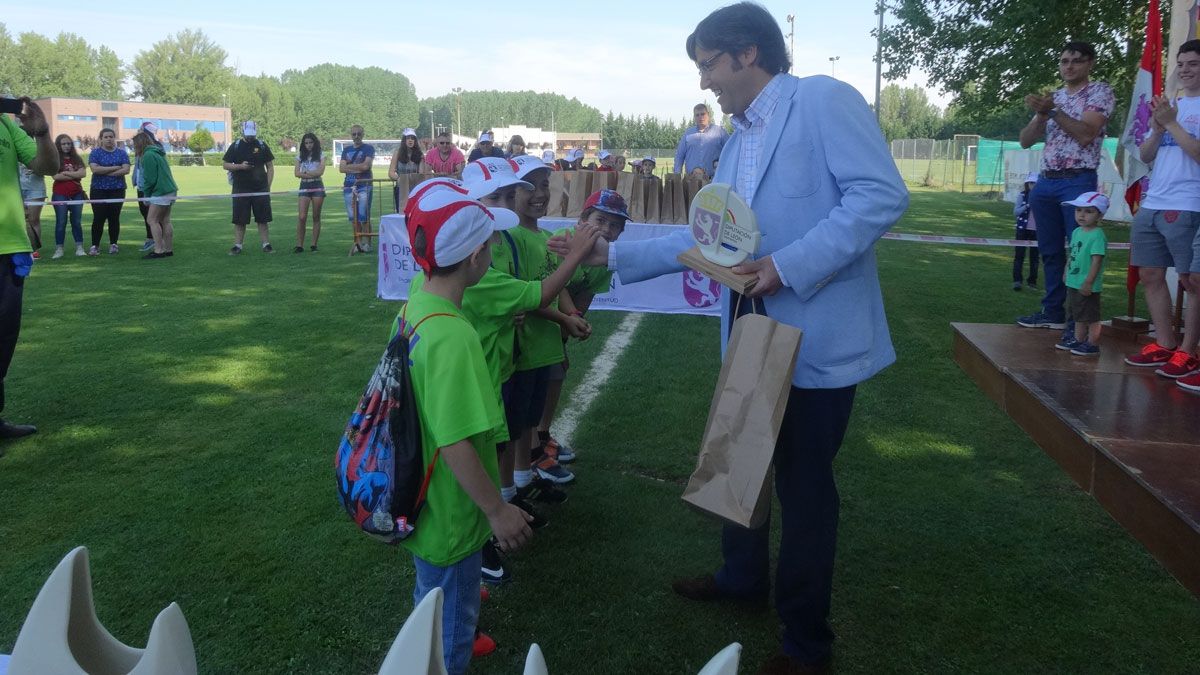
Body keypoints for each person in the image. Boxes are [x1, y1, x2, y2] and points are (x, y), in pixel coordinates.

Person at [549, 5, 907, 672]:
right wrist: (613, 259)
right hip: (748, 330)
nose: (705, 81)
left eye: (707, 64)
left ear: (746, 55)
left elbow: (880, 196)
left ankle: (805, 646)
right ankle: (741, 577)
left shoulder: (825, 101)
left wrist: (785, 265)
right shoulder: (736, 140)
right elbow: (709, 238)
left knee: (803, 488)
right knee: (742, 459)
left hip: (815, 336)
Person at [395, 188, 534, 675]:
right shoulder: (455, 336)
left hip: (426, 506)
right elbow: (454, 441)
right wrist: (497, 511)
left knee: (429, 608)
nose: (493, 254)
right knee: (450, 641)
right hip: (454, 518)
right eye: (491, 246)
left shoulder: (416, 304)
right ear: (476, 257)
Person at [1016, 41, 1114, 335]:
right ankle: (1053, 311)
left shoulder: (1099, 92)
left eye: (1076, 60)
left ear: (1090, 64)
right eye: (1064, 61)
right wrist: (1042, 114)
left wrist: (1054, 111)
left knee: (1081, 250)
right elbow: (1025, 140)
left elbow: (1086, 134)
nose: (1068, 66)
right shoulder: (1054, 98)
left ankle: (1078, 322)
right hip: (1046, 181)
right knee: (1049, 251)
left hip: (1078, 180)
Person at [1124, 40, 1200, 381]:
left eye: (1193, 64)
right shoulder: (1173, 105)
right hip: (1154, 201)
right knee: (1150, 275)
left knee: (1192, 281)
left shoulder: (1182, 112)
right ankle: (1165, 342)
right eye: (1181, 64)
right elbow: (1146, 155)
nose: (1184, 70)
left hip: (1188, 203)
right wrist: (1157, 127)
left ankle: (1188, 350)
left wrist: (1170, 124)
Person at [538, 189, 631, 467]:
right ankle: (532, 445)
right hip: (538, 314)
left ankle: (542, 434)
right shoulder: (564, 242)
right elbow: (558, 285)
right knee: (535, 380)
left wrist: (574, 325)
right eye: (600, 220)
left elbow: (587, 291)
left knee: (557, 372)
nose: (607, 229)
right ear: (582, 220)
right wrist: (572, 316)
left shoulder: (606, 258)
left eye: (615, 225)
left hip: (561, 319)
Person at [2, 97, 58, 444]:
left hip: (10, 247)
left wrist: (42, 133)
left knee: (4, 339)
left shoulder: (6, 125)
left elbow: (46, 166)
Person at [1056, 192, 1109, 355]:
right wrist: (1066, 270)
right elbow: (1073, 254)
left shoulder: (1097, 235)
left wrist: (1089, 281)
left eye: (1088, 211)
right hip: (1073, 280)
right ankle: (1078, 340)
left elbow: (1096, 260)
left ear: (1099, 215)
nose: (1082, 215)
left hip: (1087, 282)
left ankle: (1092, 343)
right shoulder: (1077, 232)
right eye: (1078, 210)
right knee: (1077, 314)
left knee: (1091, 315)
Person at [223, 120, 275, 254]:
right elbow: (225, 165)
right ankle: (238, 246)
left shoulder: (262, 145)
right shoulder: (236, 146)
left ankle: (266, 244)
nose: (250, 137)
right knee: (240, 220)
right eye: (248, 134)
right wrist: (240, 166)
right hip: (240, 189)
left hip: (260, 189)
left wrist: (267, 187)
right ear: (243, 132)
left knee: (263, 219)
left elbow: (270, 167)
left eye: (252, 134)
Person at [86, 128, 130, 256]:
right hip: (98, 190)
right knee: (98, 218)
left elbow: (126, 170)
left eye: (111, 136)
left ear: (114, 138)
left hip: (117, 190)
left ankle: (113, 244)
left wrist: (105, 171)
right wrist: (116, 168)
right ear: (101, 139)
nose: (109, 139)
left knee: (114, 218)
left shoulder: (122, 153)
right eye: (106, 137)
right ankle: (95, 245)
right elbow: (95, 169)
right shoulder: (95, 153)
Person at [135, 127, 177, 259]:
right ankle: (168, 249)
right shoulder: (158, 152)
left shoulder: (147, 156)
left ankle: (159, 250)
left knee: (152, 220)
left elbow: (150, 179)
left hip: (160, 191)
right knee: (165, 220)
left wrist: (146, 195)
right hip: (170, 190)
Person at [50, 134, 87, 259]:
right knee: (61, 222)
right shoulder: (54, 159)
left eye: (68, 143)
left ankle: (79, 247)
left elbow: (83, 173)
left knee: (76, 221)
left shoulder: (77, 158)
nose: (66, 146)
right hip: (60, 194)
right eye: (63, 144)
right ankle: (59, 249)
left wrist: (66, 173)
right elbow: (56, 176)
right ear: (58, 146)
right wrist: (73, 174)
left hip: (76, 194)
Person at [340, 125, 376, 252]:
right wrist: (359, 166)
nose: (356, 136)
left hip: (364, 185)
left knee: (364, 216)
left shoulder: (369, 148)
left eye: (359, 134)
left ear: (363, 134)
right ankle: (357, 243)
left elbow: (366, 166)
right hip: (349, 186)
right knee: (353, 218)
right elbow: (341, 169)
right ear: (351, 135)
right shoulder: (346, 150)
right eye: (354, 134)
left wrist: (350, 166)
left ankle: (368, 243)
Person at [673, 102, 729, 178]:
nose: (700, 117)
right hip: (692, 181)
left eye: (703, 114)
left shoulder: (720, 132)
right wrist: (677, 175)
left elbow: (730, 151)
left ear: (708, 115)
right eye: (697, 115)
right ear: (694, 117)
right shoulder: (688, 133)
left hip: (714, 180)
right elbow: (679, 155)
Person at [294, 132, 326, 253]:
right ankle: (299, 245)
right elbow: (296, 173)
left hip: (317, 185)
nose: (308, 145)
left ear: (315, 143)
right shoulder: (299, 156)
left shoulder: (321, 155)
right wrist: (311, 173)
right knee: (302, 217)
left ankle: (313, 244)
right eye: (306, 143)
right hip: (304, 186)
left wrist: (306, 173)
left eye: (311, 142)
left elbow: (320, 172)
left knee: (316, 216)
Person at [1012, 172, 1039, 291]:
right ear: (1027, 184)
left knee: (1034, 258)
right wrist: (1027, 206)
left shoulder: (1043, 198)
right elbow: (1016, 212)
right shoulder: (1022, 195)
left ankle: (1032, 282)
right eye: (1031, 183)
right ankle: (1017, 281)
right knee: (1019, 256)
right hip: (1022, 230)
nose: (1033, 185)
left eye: (1035, 183)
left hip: (1037, 231)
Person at [389, 128, 423, 214]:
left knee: (415, 214)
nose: (410, 140)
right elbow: (391, 172)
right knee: (401, 213)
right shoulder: (397, 153)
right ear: (404, 140)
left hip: (415, 189)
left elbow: (421, 173)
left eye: (412, 138)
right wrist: (398, 178)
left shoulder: (420, 155)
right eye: (408, 138)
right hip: (401, 188)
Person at [19, 163, 44, 259]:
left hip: (35, 188)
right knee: (19, 219)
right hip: (16, 186)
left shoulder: (37, 149)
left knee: (33, 219)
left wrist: (36, 168)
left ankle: (34, 250)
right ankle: (21, 248)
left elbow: (48, 168)